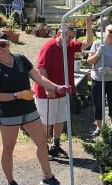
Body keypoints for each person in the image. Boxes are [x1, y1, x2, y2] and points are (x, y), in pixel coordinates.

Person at [0, 32, 67, 185]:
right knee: (9, 147)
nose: (0, 48)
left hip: (29, 110)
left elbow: (40, 78)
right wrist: (18, 95)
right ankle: (11, 183)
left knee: (42, 142)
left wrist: (57, 87)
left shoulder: (21, 59)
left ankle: (48, 178)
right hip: (8, 114)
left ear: (8, 44)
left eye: (3, 44)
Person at [33, 17, 94, 158]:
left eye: (71, 37)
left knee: (60, 118)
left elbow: (88, 42)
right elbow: (42, 69)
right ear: (59, 33)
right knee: (47, 121)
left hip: (63, 89)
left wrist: (89, 26)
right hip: (47, 92)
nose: (69, 40)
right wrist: (49, 89)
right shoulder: (48, 47)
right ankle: (43, 148)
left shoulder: (70, 46)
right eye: (66, 36)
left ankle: (56, 144)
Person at [87, 22, 112, 136]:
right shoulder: (97, 44)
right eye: (110, 32)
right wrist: (98, 54)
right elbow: (89, 62)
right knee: (98, 103)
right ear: (105, 31)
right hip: (98, 79)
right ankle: (99, 127)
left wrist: (110, 69)